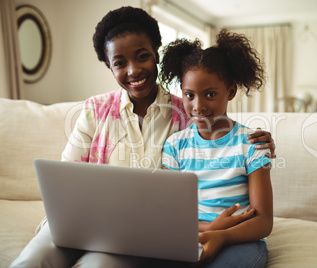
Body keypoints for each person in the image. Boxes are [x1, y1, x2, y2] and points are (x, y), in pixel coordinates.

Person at [10, 6, 274, 268]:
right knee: (31, 261)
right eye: (120, 63)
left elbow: (221, 135)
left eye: (142, 56)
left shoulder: (186, 114)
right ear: (109, 67)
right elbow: (64, 181)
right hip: (79, 222)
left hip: (130, 237)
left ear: (157, 55)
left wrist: (262, 143)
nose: (133, 70)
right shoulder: (94, 111)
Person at [160, 29, 273, 267]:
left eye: (210, 94)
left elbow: (263, 221)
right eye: (189, 95)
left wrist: (221, 236)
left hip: (241, 239)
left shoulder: (252, 143)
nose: (198, 105)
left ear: (230, 92)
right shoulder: (174, 146)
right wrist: (207, 230)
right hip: (192, 236)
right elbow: (173, 215)